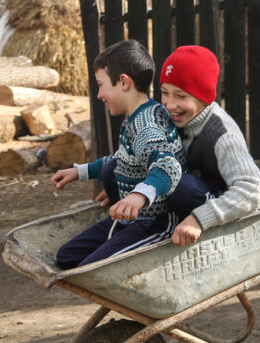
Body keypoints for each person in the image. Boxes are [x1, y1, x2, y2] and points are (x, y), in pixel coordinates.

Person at [51, 39, 185, 269]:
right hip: (131, 219)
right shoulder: (137, 117)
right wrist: (80, 171)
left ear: (124, 82)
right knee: (66, 258)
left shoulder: (146, 124)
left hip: (153, 222)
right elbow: (122, 159)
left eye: (101, 85)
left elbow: (168, 166)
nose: (99, 95)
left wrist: (137, 197)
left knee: (90, 270)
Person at [157, 45, 260, 246]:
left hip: (222, 203)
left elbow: (255, 190)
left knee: (183, 188)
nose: (170, 104)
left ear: (204, 97)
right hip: (190, 199)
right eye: (165, 92)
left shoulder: (223, 134)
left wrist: (200, 218)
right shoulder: (170, 118)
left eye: (181, 96)